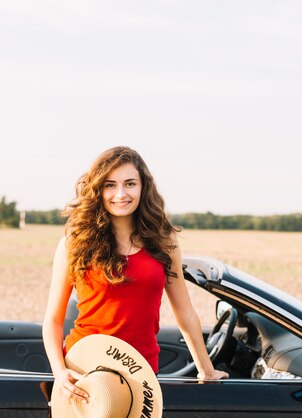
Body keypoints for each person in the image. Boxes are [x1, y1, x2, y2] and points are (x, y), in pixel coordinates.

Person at [42, 146, 228, 403]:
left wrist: (206, 370)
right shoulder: (74, 244)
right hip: (83, 371)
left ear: (143, 187)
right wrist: (60, 372)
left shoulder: (164, 242)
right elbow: (53, 319)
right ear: (98, 190)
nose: (121, 194)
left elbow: (184, 312)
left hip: (140, 370)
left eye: (130, 183)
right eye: (110, 185)